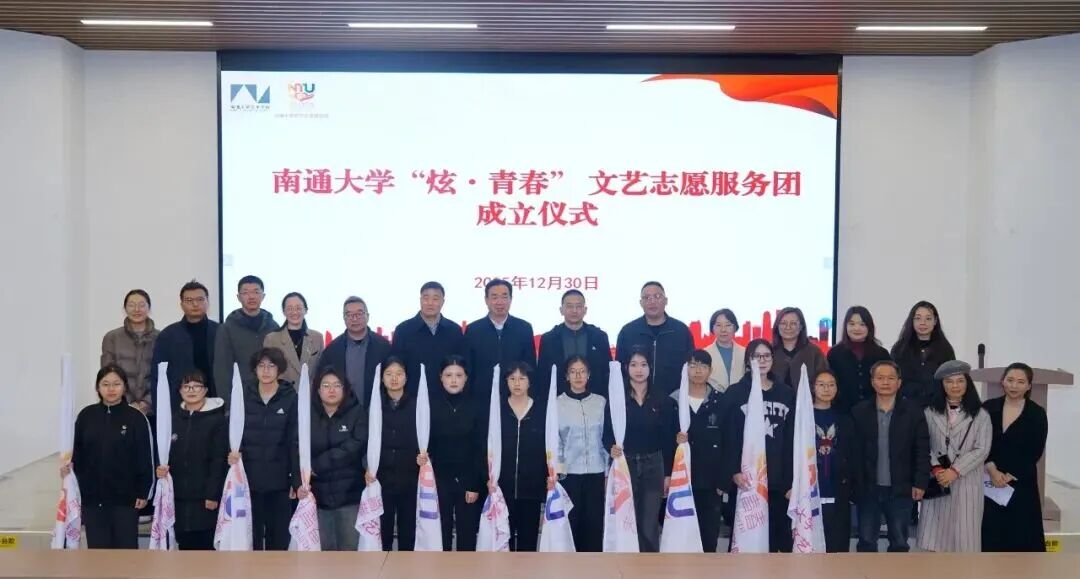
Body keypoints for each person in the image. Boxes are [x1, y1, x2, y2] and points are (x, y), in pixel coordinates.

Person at [65, 365, 154, 549]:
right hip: (92, 499)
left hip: (126, 499)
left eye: (116, 384)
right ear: (98, 388)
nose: (111, 389)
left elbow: (145, 457)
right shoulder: (86, 416)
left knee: (126, 551)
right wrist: (71, 474)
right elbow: (76, 454)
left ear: (124, 387)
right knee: (98, 551)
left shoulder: (136, 418)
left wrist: (143, 492)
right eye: (105, 384)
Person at [724, 339, 795, 553]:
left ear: (773, 359)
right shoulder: (735, 393)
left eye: (766, 356)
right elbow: (728, 436)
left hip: (778, 482)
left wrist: (792, 479)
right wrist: (733, 470)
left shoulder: (786, 393)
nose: (762, 361)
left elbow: (792, 439)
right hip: (747, 481)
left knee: (778, 543)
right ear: (748, 361)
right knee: (745, 541)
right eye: (756, 356)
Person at [603, 347, 678, 552]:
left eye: (643, 365)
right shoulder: (617, 398)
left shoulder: (662, 400)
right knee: (626, 520)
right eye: (634, 365)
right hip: (625, 464)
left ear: (650, 368)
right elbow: (607, 434)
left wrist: (668, 474)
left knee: (648, 524)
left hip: (654, 465)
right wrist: (611, 448)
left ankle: (649, 566)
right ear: (626, 368)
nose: (639, 370)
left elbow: (668, 439)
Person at [851, 360, 930, 553]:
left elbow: (922, 450)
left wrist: (920, 483)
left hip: (901, 489)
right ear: (872, 382)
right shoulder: (859, 411)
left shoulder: (913, 412)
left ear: (899, 382)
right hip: (868, 488)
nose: (885, 382)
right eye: (880, 378)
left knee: (900, 543)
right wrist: (854, 485)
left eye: (890, 378)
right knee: (866, 542)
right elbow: (854, 453)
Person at [917, 360, 992, 553]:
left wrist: (956, 471)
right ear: (941, 385)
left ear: (968, 384)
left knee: (965, 538)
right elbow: (923, 445)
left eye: (960, 381)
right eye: (949, 382)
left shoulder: (981, 415)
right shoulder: (929, 412)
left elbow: (982, 449)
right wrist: (937, 468)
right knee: (935, 540)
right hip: (938, 480)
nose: (955, 386)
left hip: (967, 481)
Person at [228, 347, 299, 551]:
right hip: (248, 481)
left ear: (279, 370)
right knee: (251, 539)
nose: (266, 370)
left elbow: (294, 441)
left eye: (271, 366)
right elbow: (233, 430)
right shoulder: (243, 395)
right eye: (261, 366)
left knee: (279, 540)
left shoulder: (290, 397)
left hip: (280, 482)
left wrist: (296, 480)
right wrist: (233, 453)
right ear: (255, 369)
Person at [156, 369, 227, 551]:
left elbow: (218, 460)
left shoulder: (217, 421)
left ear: (205, 390)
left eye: (197, 386)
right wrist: (160, 469)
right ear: (180, 391)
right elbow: (163, 455)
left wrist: (212, 494)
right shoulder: (172, 420)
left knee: (206, 549)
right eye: (186, 386)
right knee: (183, 549)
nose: (191, 390)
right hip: (178, 499)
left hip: (205, 499)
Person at [420, 355, 486, 551]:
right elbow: (426, 443)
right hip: (439, 481)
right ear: (441, 377)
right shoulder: (430, 406)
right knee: (441, 535)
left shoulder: (477, 406)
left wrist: (475, 484)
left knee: (467, 535)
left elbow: (481, 448)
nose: (454, 380)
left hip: (469, 481)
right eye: (449, 375)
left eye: (459, 375)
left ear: (466, 378)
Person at [982, 362, 1048, 552]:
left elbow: (1035, 450)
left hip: (1021, 482)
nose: (1014, 385)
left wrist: (1010, 475)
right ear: (1002, 382)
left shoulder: (1036, 413)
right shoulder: (988, 407)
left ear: (1028, 386)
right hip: (990, 481)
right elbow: (979, 442)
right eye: (1010, 380)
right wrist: (992, 470)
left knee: (1023, 537)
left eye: (1020, 382)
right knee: (990, 535)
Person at [672, 349, 727, 553]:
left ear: (710, 371)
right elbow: (664, 441)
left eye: (703, 366)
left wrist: (723, 480)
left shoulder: (721, 401)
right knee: (681, 537)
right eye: (693, 365)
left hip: (711, 482)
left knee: (708, 536)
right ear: (685, 369)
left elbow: (728, 441)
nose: (697, 370)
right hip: (681, 480)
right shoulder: (673, 401)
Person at [310, 367, 368, 551]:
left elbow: (354, 446)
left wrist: (318, 465)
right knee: (323, 553)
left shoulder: (357, 413)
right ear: (318, 390)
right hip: (318, 497)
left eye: (337, 385)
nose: (331, 390)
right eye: (326, 385)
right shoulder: (307, 415)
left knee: (350, 551)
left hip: (349, 496)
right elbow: (298, 446)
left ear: (345, 389)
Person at [367, 357, 419, 551]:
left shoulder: (417, 405)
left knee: (408, 532)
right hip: (381, 478)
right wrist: (367, 466)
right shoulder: (374, 406)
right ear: (382, 378)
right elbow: (365, 441)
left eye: (399, 374)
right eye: (389, 374)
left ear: (406, 377)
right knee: (382, 533)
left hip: (410, 477)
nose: (394, 378)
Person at [556, 356, 608, 552]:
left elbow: (606, 438)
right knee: (571, 525)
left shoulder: (600, 402)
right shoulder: (557, 403)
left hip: (596, 473)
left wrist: (607, 472)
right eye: (573, 371)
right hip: (568, 475)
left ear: (589, 375)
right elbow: (556, 441)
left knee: (594, 527)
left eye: (582, 371)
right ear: (567, 376)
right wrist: (558, 472)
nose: (578, 376)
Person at [497, 362, 547, 552]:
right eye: (512, 379)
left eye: (522, 378)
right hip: (503, 489)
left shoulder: (541, 410)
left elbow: (548, 447)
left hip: (532, 489)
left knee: (528, 544)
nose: (517, 383)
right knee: (504, 541)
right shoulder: (497, 409)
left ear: (529, 382)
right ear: (506, 381)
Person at [150, 280, 219, 417]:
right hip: (179, 408)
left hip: (215, 404)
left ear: (207, 302)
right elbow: (158, 376)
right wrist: (161, 411)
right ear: (181, 304)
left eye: (200, 299)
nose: (195, 304)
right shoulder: (168, 335)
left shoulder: (220, 332)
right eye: (189, 300)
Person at [464, 279, 536, 403]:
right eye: (494, 297)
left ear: (511, 299)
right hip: (481, 398)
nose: (499, 302)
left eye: (504, 297)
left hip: (515, 398)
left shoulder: (524, 328)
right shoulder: (473, 330)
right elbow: (468, 369)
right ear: (486, 300)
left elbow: (530, 367)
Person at [615, 281, 693, 395]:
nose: (652, 301)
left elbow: (690, 366)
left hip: (674, 398)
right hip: (637, 399)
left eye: (657, 296)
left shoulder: (681, 331)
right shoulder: (628, 332)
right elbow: (620, 370)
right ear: (641, 303)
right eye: (647, 297)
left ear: (666, 301)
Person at [391, 281, 464, 397]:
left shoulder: (454, 330)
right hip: (411, 398)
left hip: (447, 398)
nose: (430, 303)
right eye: (426, 298)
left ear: (443, 301)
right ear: (420, 300)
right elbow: (396, 366)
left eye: (435, 299)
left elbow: (461, 367)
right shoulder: (403, 330)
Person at [536, 290, 612, 401]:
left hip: (595, 401)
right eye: (569, 306)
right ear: (561, 310)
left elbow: (607, 373)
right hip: (559, 401)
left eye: (578, 306)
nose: (574, 310)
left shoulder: (599, 337)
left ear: (585, 310)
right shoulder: (549, 339)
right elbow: (542, 377)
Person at [318, 296, 392, 409]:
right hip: (342, 413)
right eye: (349, 315)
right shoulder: (332, 350)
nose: (354, 318)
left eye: (359, 314)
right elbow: (321, 383)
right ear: (344, 318)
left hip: (377, 410)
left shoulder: (383, 347)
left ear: (367, 316)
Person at [214, 275, 279, 400]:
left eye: (256, 292)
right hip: (241, 396)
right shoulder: (227, 329)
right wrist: (227, 403)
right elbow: (222, 370)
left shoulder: (273, 326)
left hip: (271, 395)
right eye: (245, 292)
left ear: (263, 296)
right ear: (238, 297)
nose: (251, 296)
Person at [811, 370, 855, 552]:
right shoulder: (802, 416)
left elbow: (853, 454)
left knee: (837, 550)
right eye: (821, 384)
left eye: (831, 385)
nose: (826, 389)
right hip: (810, 494)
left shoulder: (845, 419)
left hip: (838, 493)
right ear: (813, 387)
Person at [101, 289, 160, 415]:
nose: (137, 309)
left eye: (141, 305)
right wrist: (128, 404)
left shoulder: (161, 338)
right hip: (119, 408)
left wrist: (146, 403)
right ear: (125, 309)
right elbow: (107, 375)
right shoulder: (112, 338)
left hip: (153, 409)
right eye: (132, 305)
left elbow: (163, 376)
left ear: (149, 308)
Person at [890, 300, 956, 408]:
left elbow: (951, 379)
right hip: (906, 408)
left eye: (928, 319)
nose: (923, 323)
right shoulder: (899, 349)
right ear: (912, 321)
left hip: (937, 409)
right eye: (918, 318)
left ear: (935, 321)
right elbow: (892, 379)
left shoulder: (945, 349)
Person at [826, 306, 892, 413]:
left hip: (875, 412)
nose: (856, 328)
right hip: (842, 412)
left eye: (862, 324)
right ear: (846, 326)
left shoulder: (881, 354)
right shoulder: (834, 354)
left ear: (869, 327)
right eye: (852, 324)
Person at [263, 291, 323, 384]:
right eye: (290, 308)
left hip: (309, 392)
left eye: (298, 308)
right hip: (282, 392)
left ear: (306, 310)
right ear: (284, 312)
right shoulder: (271, 339)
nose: (294, 312)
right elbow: (267, 371)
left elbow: (321, 370)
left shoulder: (317, 338)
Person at [770, 306, 828, 389]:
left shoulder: (814, 352)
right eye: (783, 323)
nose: (788, 327)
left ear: (801, 327)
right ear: (777, 326)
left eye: (793, 323)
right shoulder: (768, 351)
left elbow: (825, 381)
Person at [703, 308, 744, 393]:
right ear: (712, 328)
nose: (723, 330)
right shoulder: (704, 353)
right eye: (718, 325)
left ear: (735, 327)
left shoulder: (745, 352)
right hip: (713, 398)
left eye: (728, 325)